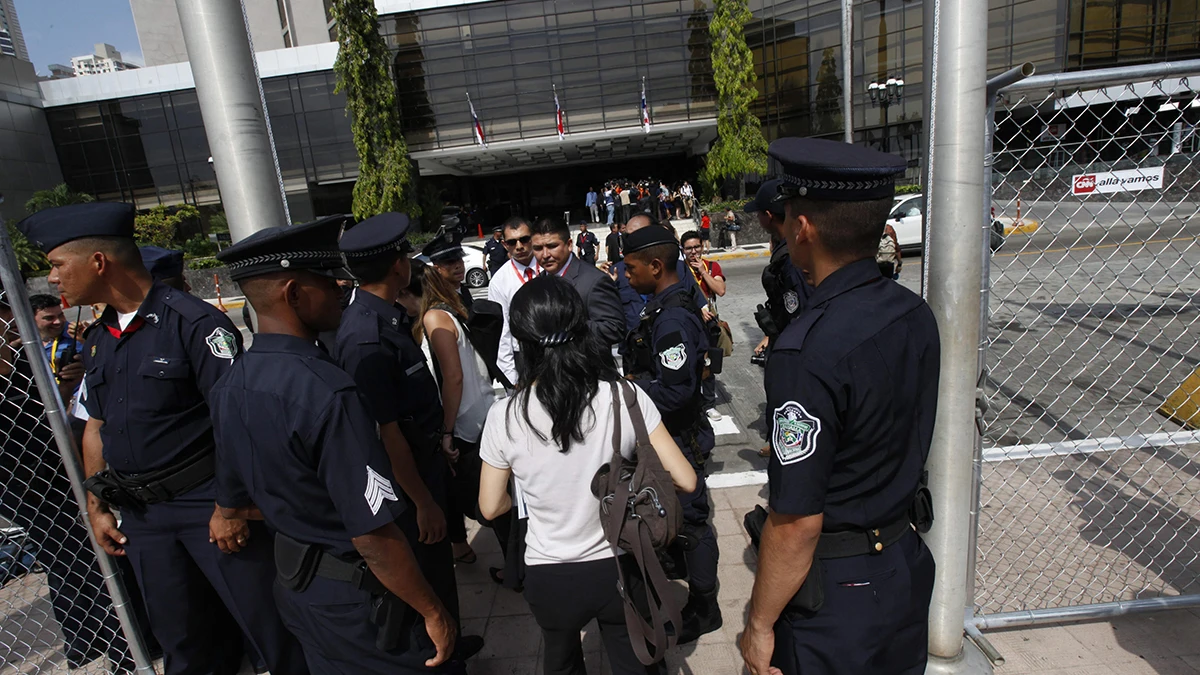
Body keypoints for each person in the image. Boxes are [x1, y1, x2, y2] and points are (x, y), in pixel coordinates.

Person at [20, 202, 307, 675]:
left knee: (270, 634)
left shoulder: (194, 324)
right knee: (185, 643)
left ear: (98, 262)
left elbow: (237, 425)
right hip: (143, 518)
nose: (51, 278)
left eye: (56, 265)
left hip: (208, 508)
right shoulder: (99, 339)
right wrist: (97, 506)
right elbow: (97, 426)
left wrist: (229, 507)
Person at [210, 217, 459, 674]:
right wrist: (432, 611)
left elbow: (233, 495)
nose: (344, 294)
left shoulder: (234, 382)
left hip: (299, 589)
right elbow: (373, 534)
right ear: (293, 293)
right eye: (331, 284)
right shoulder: (327, 391)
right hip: (358, 598)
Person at [739, 138, 939, 675]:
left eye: (785, 219)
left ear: (802, 227)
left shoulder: (805, 350)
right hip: (905, 557)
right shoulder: (912, 312)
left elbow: (797, 520)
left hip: (839, 593)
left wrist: (758, 626)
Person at [477, 275, 696, 675]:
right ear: (582, 327)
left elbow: (491, 507)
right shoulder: (624, 396)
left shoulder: (504, 415)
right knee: (636, 661)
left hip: (548, 575)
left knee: (560, 663)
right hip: (620, 565)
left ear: (522, 340)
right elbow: (686, 480)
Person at [335, 213, 477, 652]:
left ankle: (449, 642)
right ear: (398, 267)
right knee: (426, 574)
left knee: (438, 573)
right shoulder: (367, 339)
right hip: (409, 480)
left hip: (425, 463)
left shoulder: (386, 318)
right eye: (404, 257)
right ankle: (439, 654)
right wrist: (422, 502)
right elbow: (386, 433)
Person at [0, 289, 139, 674]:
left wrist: (63, 387)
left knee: (76, 556)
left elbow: (45, 415)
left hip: (56, 467)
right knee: (69, 555)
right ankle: (111, 643)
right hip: (21, 480)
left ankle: (98, 641)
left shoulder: (24, 362)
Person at [621, 225, 721, 644]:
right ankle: (682, 566)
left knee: (694, 521)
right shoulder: (664, 308)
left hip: (680, 436)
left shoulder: (673, 320)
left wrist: (631, 390)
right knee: (680, 518)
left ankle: (705, 606)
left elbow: (678, 391)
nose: (626, 276)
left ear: (656, 266)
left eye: (631, 268)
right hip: (672, 433)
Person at [413, 254, 505, 582]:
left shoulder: (436, 318)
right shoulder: (452, 306)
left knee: (491, 503)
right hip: (482, 411)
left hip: (468, 422)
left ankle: (517, 570)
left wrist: (447, 431)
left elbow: (453, 378)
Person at [531, 218, 625, 350]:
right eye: (538, 248)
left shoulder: (594, 281)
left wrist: (571, 328)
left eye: (552, 246)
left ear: (569, 245)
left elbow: (614, 328)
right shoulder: (536, 285)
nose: (545, 255)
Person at [488, 216, 540, 387]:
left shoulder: (548, 265)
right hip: (524, 356)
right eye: (512, 242)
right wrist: (510, 377)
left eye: (524, 239)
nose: (519, 246)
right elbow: (501, 332)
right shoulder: (500, 281)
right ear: (504, 245)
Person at [680, 232, 726, 419]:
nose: (693, 252)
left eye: (697, 247)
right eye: (689, 248)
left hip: (708, 322)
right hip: (688, 320)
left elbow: (720, 290)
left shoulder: (712, 266)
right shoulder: (679, 269)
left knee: (708, 362)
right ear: (682, 250)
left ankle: (708, 404)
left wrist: (703, 272)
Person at [30, 293, 84, 402]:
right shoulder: (25, 345)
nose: (58, 322)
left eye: (60, 315)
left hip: (79, 400)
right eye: (49, 318)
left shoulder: (78, 336)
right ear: (31, 319)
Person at [423, 233, 474, 311]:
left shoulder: (463, 290)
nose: (458, 266)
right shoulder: (439, 299)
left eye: (459, 259)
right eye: (450, 262)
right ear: (437, 269)